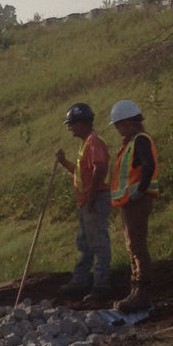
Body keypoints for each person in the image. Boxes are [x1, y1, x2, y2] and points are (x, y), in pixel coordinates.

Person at [54, 103, 112, 303]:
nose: (69, 128)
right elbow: (82, 174)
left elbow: (100, 168)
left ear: (82, 123)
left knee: (98, 244)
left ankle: (101, 285)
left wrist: (92, 196)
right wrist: (63, 162)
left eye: (71, 124)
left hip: (94, 200)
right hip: (87, 201)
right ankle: (81, 281)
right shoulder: (86, 143)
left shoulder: (94, 141)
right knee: (85, 243)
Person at [108, 99, 159, 313]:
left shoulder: (140, 141)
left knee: (137, 246)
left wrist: (140, 190)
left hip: (137, 201)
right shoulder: (131, 143)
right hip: (130, 202)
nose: (118, 129)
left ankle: (142, 293)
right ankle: (135, 290)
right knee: (132, 246)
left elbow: (149, 165)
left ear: (129, 122)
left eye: (119, 124)